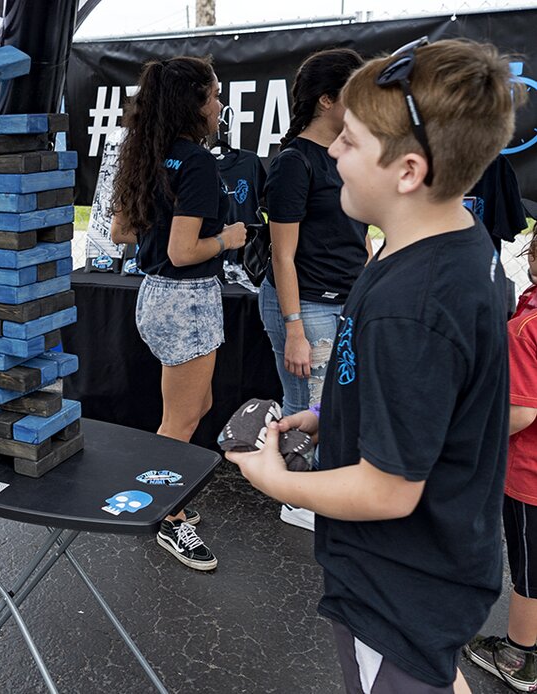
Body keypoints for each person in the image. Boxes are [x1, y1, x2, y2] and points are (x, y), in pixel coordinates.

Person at [226, 37, 522, 693]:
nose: (333, 152)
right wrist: (328, 414)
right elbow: (418, 396)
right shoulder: (428, 246)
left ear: (409, 171)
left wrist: (276, 481)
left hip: (400, 587)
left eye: (352, 142)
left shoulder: (415, 308)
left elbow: (389, 491)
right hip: (426, 574)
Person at [109, 55, 246, 571]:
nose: (218, 104)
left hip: (155, 295)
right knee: (182, 420)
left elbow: (122, 233)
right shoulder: (196, 163)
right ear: (194, 103)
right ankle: (166, 516)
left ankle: (166, 497)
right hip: (186, 298)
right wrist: (228, 238)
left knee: (194, 404)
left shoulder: (147, 154)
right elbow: (187, 251)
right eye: (213, 94)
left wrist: (165, 233)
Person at [259, 48, 368, 532]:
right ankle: (297, 498)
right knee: (306, 403)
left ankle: (321, 486)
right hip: (304, 305)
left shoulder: (348, 155)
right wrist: (294, 328)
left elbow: (360, 235)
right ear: (327, 100)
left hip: (347, 300)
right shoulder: (293, 163)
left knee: (336, 401)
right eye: (354, 92)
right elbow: (282, 255)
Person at [464, 231, 537, 692]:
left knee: (529, 567)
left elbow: (523, 411)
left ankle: (520, 656)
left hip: (529, 474)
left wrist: (471, 434)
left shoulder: (527, 328)